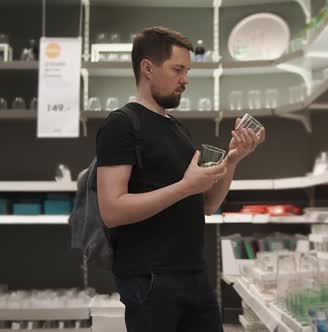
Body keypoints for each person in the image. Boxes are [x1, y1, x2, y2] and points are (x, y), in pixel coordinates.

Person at [95, 26, 265, 332]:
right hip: (150, 280)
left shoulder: (176, 129)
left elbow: (207, 205)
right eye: (178, 69)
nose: (185, 79)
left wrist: (234, 158)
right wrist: (186, 185)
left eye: (187, 71)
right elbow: (112, 210)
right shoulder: (121, 124)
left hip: (194, 273)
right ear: (147, 68)